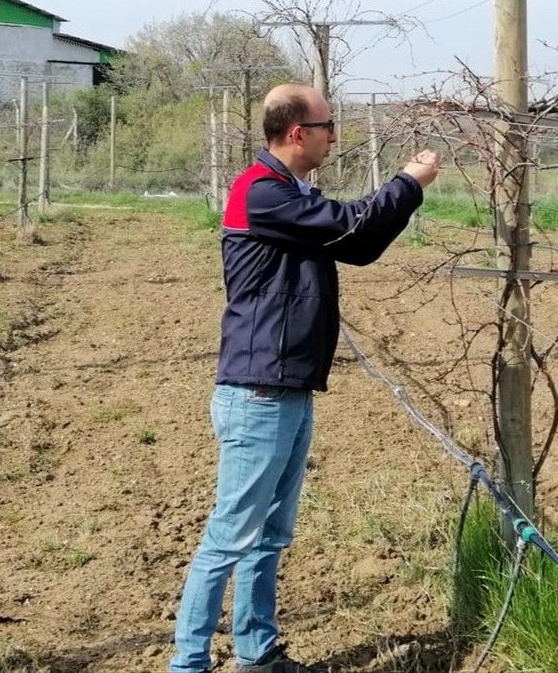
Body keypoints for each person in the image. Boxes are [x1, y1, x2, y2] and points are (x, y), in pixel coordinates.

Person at [169, 83, 441, 673]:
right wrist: (408, 182)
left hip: (286, 387)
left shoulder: (289, 194)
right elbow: (352, 224)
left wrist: (404, 194)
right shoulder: (261, 192)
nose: (333, 137)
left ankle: (258, 654)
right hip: (258, 392)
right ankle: (188, 664)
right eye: (327, 127)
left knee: (269, 535)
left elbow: (359, 245)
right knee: (229, 537)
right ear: (298, 132)